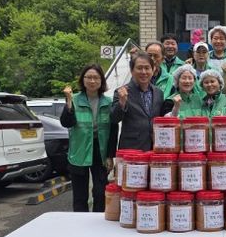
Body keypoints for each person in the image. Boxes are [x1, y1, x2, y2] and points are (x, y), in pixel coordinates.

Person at [60, 64, 115, 213]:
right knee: (80, 195)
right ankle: (80, 223)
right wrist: (69, 103)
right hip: (79, 150)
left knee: (100, 192)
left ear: (101, 80)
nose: (92, 81)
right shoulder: (74, 99)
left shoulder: (108, 102)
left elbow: (113, 130)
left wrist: (110, 155)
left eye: (96, 77)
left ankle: (98, 221)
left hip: (100, 150)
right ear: (83, 80)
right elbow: (66, 123)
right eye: (88, 77)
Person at [111, 52, 164, 151]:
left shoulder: (158, 93)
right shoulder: (122, 92)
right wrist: (122, 103)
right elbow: (114, 119)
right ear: (132, 71)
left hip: (154, 149)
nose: (143, 72)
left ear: (153, 70)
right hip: (131, 149)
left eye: (147, 68)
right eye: (139, 68)